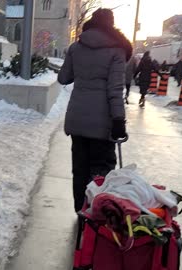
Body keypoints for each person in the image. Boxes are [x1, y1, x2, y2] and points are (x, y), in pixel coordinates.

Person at [58, 8, 131, 213]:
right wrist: (119, 120)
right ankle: (95, 217)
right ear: (111, 24)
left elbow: (64, 78)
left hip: (77, 121)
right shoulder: (117, 50)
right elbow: (115, 90)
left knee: (79, 170)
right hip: (102, 124)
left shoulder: (76, 47)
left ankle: (80, 213)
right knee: (101, 172)